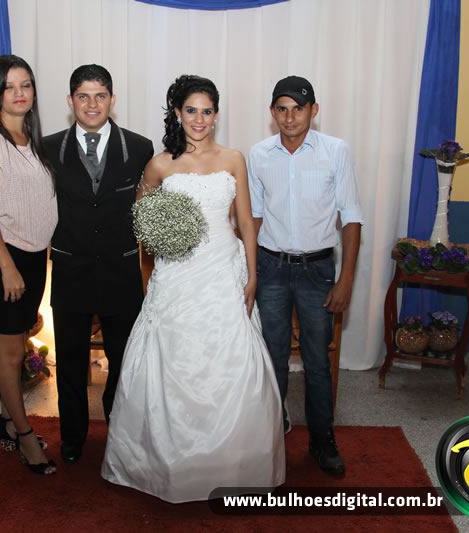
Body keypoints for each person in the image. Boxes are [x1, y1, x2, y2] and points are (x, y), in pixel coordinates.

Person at [101, 75, 286, 503]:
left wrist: (252, 276)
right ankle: (166, 464)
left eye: (207, 111)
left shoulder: (234, 159)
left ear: (216, 115)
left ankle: (233, 463)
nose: (199, 119)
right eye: (191, 110)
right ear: (177, 113)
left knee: (230, 362)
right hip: (177, 275)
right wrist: (161, 245)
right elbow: (142, 222)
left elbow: (246, 223)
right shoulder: (160, 164)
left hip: (223, 271)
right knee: (172, 359)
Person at [0, 64, 153, 465]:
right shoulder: (46, 148)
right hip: (70, 271)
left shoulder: (140, 148)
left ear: (113, 100)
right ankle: (72, 438)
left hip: (121, 272)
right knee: (69, 361)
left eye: (100, 96)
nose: (92, 104)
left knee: (125, 361)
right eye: (83, 96)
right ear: (70, 101)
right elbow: (19, 192)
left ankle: (120, 431)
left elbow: (148, 201)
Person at [248, 76, 363, 477]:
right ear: (272, 113)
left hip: (318, 270)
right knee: (272, 357)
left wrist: (345, 279)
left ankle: (321, 439)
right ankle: (271, 435)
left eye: (298, 108)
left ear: (314, 110)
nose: (290, 117)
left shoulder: (336, 151)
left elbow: (351, 216)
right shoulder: (259, 155)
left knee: (316, 360)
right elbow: (254, 217)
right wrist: (248, 272)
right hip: (271, 268)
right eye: (282, 109)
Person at [0, 55, 58, 475]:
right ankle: (24, 435)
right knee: (10, 353)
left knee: (18, 345)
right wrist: (6, 266)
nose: (19, 93)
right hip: (4, 258)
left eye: (26, 85)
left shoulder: (30, 140)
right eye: (10, 86)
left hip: (33, 258)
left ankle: (6, 421)